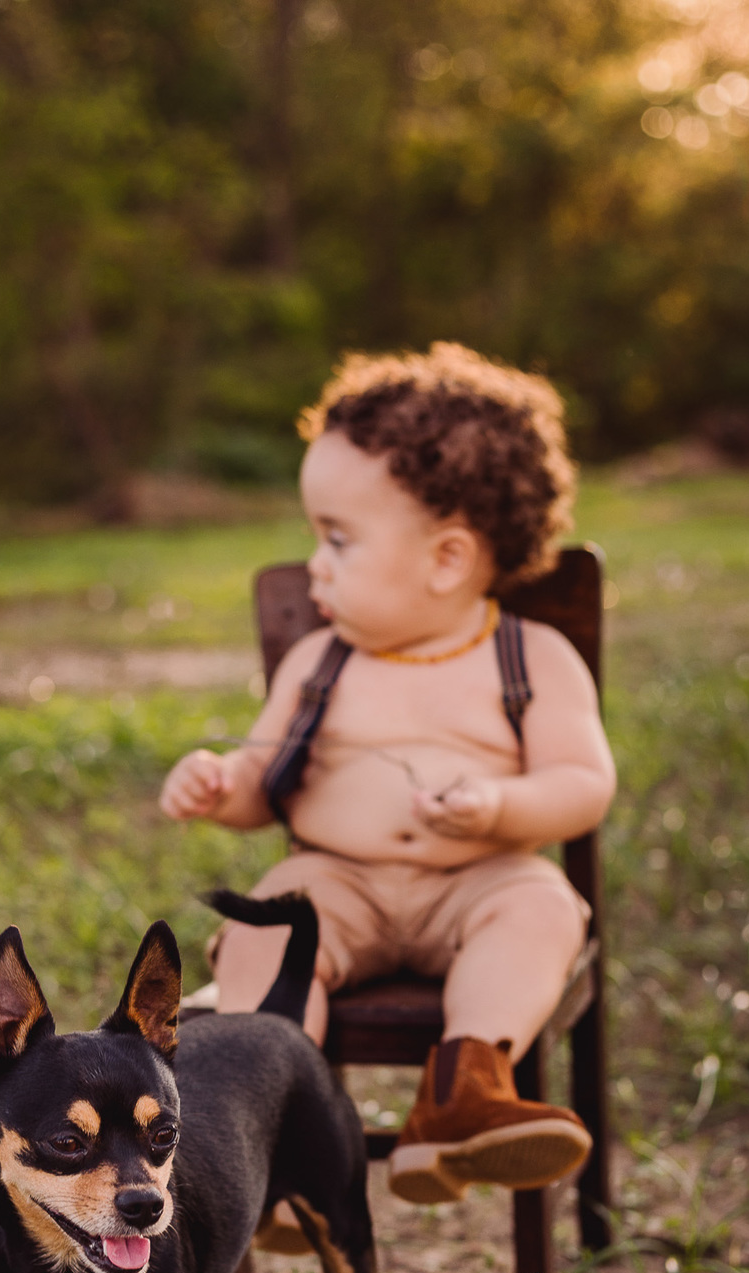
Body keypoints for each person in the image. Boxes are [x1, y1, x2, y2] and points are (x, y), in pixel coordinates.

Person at [159, 343, 616, 1205]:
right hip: (335, 884)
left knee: (541, 904)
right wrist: (223, 789)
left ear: (447, 558)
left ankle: (464, 1093)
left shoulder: (531, 658)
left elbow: (584, 783)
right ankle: (277, 1134)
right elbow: (267, 780)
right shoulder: (319, 661)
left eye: (337, 539)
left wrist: (498, 806)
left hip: (477, 879)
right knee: (264, 925)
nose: (316, 565)